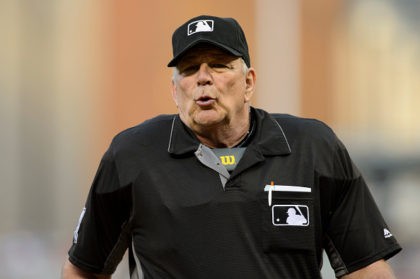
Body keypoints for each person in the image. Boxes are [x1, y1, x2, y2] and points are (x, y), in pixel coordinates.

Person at [61, 15, 401, 278]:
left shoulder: (313, 148)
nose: (203, 78)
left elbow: (366, 266)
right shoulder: (132, 155)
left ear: (248, 82)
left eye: (218, 65)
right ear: (174, 90)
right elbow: (84, 267)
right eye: (190, 69)